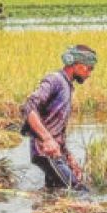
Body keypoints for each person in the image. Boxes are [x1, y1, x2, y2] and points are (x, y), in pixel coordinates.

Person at [21, 45, 97, 191]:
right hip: (46, 153)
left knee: (54, 192)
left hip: (54, 153)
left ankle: (43, 210)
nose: (89, 74)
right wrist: (47, 139)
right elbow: (29, 106)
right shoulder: (55, 80)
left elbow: (57, 130)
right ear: (75, 65)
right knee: (78, 191)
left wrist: (69, 158)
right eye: (88, 68)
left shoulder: (67, 86)